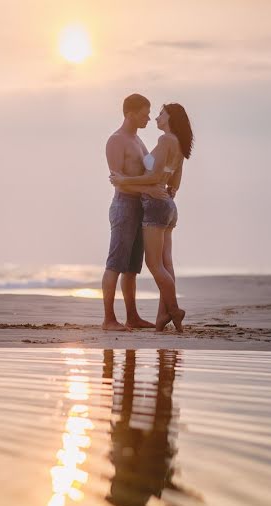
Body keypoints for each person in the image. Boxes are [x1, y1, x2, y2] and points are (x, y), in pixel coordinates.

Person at [110, 103, 193, 333]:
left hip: (156, 206)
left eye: (160, 114)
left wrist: (124, 181)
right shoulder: (178, 143)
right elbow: (174, 184)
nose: (156, 117)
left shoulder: (166, 140)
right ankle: (162, 315)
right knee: (166, 263)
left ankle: (174, 309)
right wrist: (162, 188)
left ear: (170, 118)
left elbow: (155, 175)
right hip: (167, 206)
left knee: (154, 264)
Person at [102, 94, 171, 332]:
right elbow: (118, 182)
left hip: (140, 207)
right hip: (123, 206)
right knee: (115, 264)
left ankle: (132, 317)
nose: (148, 118)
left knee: (132, 267)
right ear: (130, 113)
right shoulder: (116, 140)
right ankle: (109, 319)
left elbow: (148, 171)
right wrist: (149, 188)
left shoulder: (138, 141)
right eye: (144, 114)